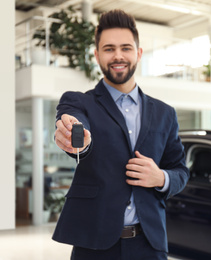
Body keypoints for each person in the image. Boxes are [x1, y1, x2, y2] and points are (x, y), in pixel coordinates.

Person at [52, 9, 189, 260]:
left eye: (126, 48)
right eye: (109, 48)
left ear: (138, 53)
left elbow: (180, 171)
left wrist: (160, 177)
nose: (118, 56)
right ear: (96, 55)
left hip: (149, 244)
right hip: (94, 245)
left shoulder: (165, 113)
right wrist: (77, 139)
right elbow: (74, 126)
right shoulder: (79, 103)